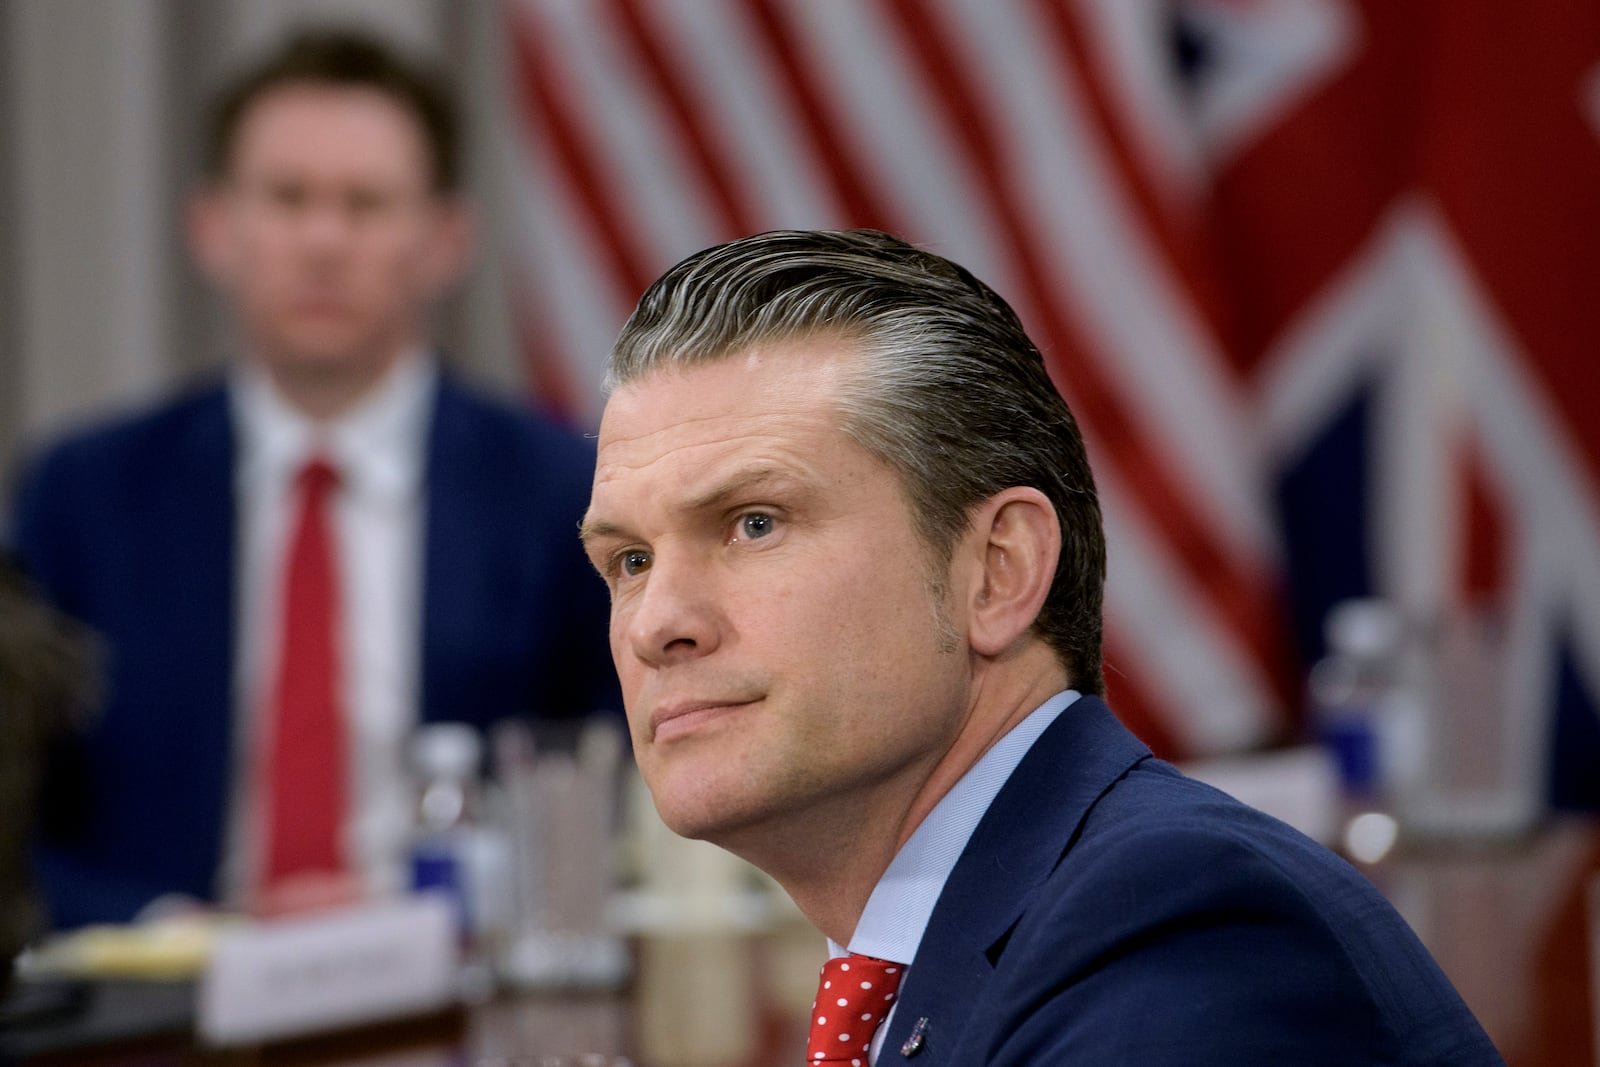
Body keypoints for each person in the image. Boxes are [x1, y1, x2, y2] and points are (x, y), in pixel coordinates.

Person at [580, 229, 1503, 1065]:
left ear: (997, 572)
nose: (658, 621)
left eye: (753, 523)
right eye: (628, 558)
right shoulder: (954, 949)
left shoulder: (1176, 923)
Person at [7, 30, 616, 929]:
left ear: (445, 239)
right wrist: (176, 931)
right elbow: (19, 828)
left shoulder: (563, 491)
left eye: (365, 204)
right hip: (162, 1006)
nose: (324, 240)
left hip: (457, 996)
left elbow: (622, 793)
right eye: (287, 198)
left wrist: (426, 916)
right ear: (213, 228)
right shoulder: (85, 493)